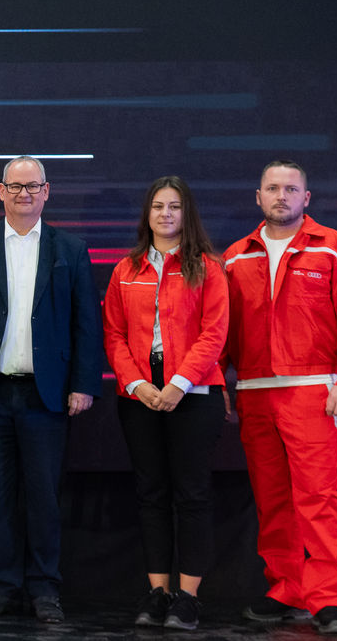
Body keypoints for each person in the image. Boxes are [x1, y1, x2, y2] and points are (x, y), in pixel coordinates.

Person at [0, 155, 103, 624]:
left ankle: (45, 588)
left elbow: (86, 324)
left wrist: (83, 384)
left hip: (46, 397)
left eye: (33, 186)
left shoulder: (70, 249)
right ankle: (4, 586)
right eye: (15, 186)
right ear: (1, 191)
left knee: (44, 498)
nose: (24, 194)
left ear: (46, 191)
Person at [223, 161, 337, 636]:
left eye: (291, 189)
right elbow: (220, 328)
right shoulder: (235, 257)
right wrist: (219, 383)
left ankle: (327, 598)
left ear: (306, 198)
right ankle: (286, 588)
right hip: (253, 392)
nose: (281, 196)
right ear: (258, 197)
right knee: (272, 502)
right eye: (273, 188)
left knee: (319, 497)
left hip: (313, 391)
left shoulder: (333, 247)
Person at [102, 176, 228, 631]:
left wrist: (178, 383)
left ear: (186, 213)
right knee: (151, 494)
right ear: (148, 214)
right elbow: (113, 334)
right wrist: (137, 384)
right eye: (158, 206)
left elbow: (215, 333)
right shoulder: (126, 268)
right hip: (140, 399)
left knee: (191, 495)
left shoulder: (208, 268)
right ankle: (157, 593)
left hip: (194, 396)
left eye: (174, 206)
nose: (166, 214)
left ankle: (187, 598)